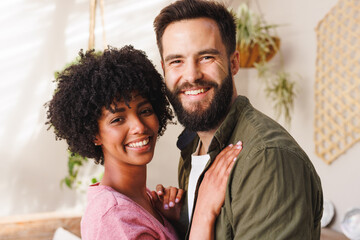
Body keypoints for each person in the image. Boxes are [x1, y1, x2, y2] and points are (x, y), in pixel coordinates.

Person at [153, 0, 324, 239]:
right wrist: (185, 218)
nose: (191, 75)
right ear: (164, 69)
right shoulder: (192, 146)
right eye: (176, 61)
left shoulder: (267, 159)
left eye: (206, 57)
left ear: (234, 62)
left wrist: (203, 213)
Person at [45, 45, 242, 239]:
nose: (138, 126)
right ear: (93, 135)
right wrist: (205, 209)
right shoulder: (114, 217)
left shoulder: (144, 200)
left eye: (145, 111)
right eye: (117, 120)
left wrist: (177, 221)